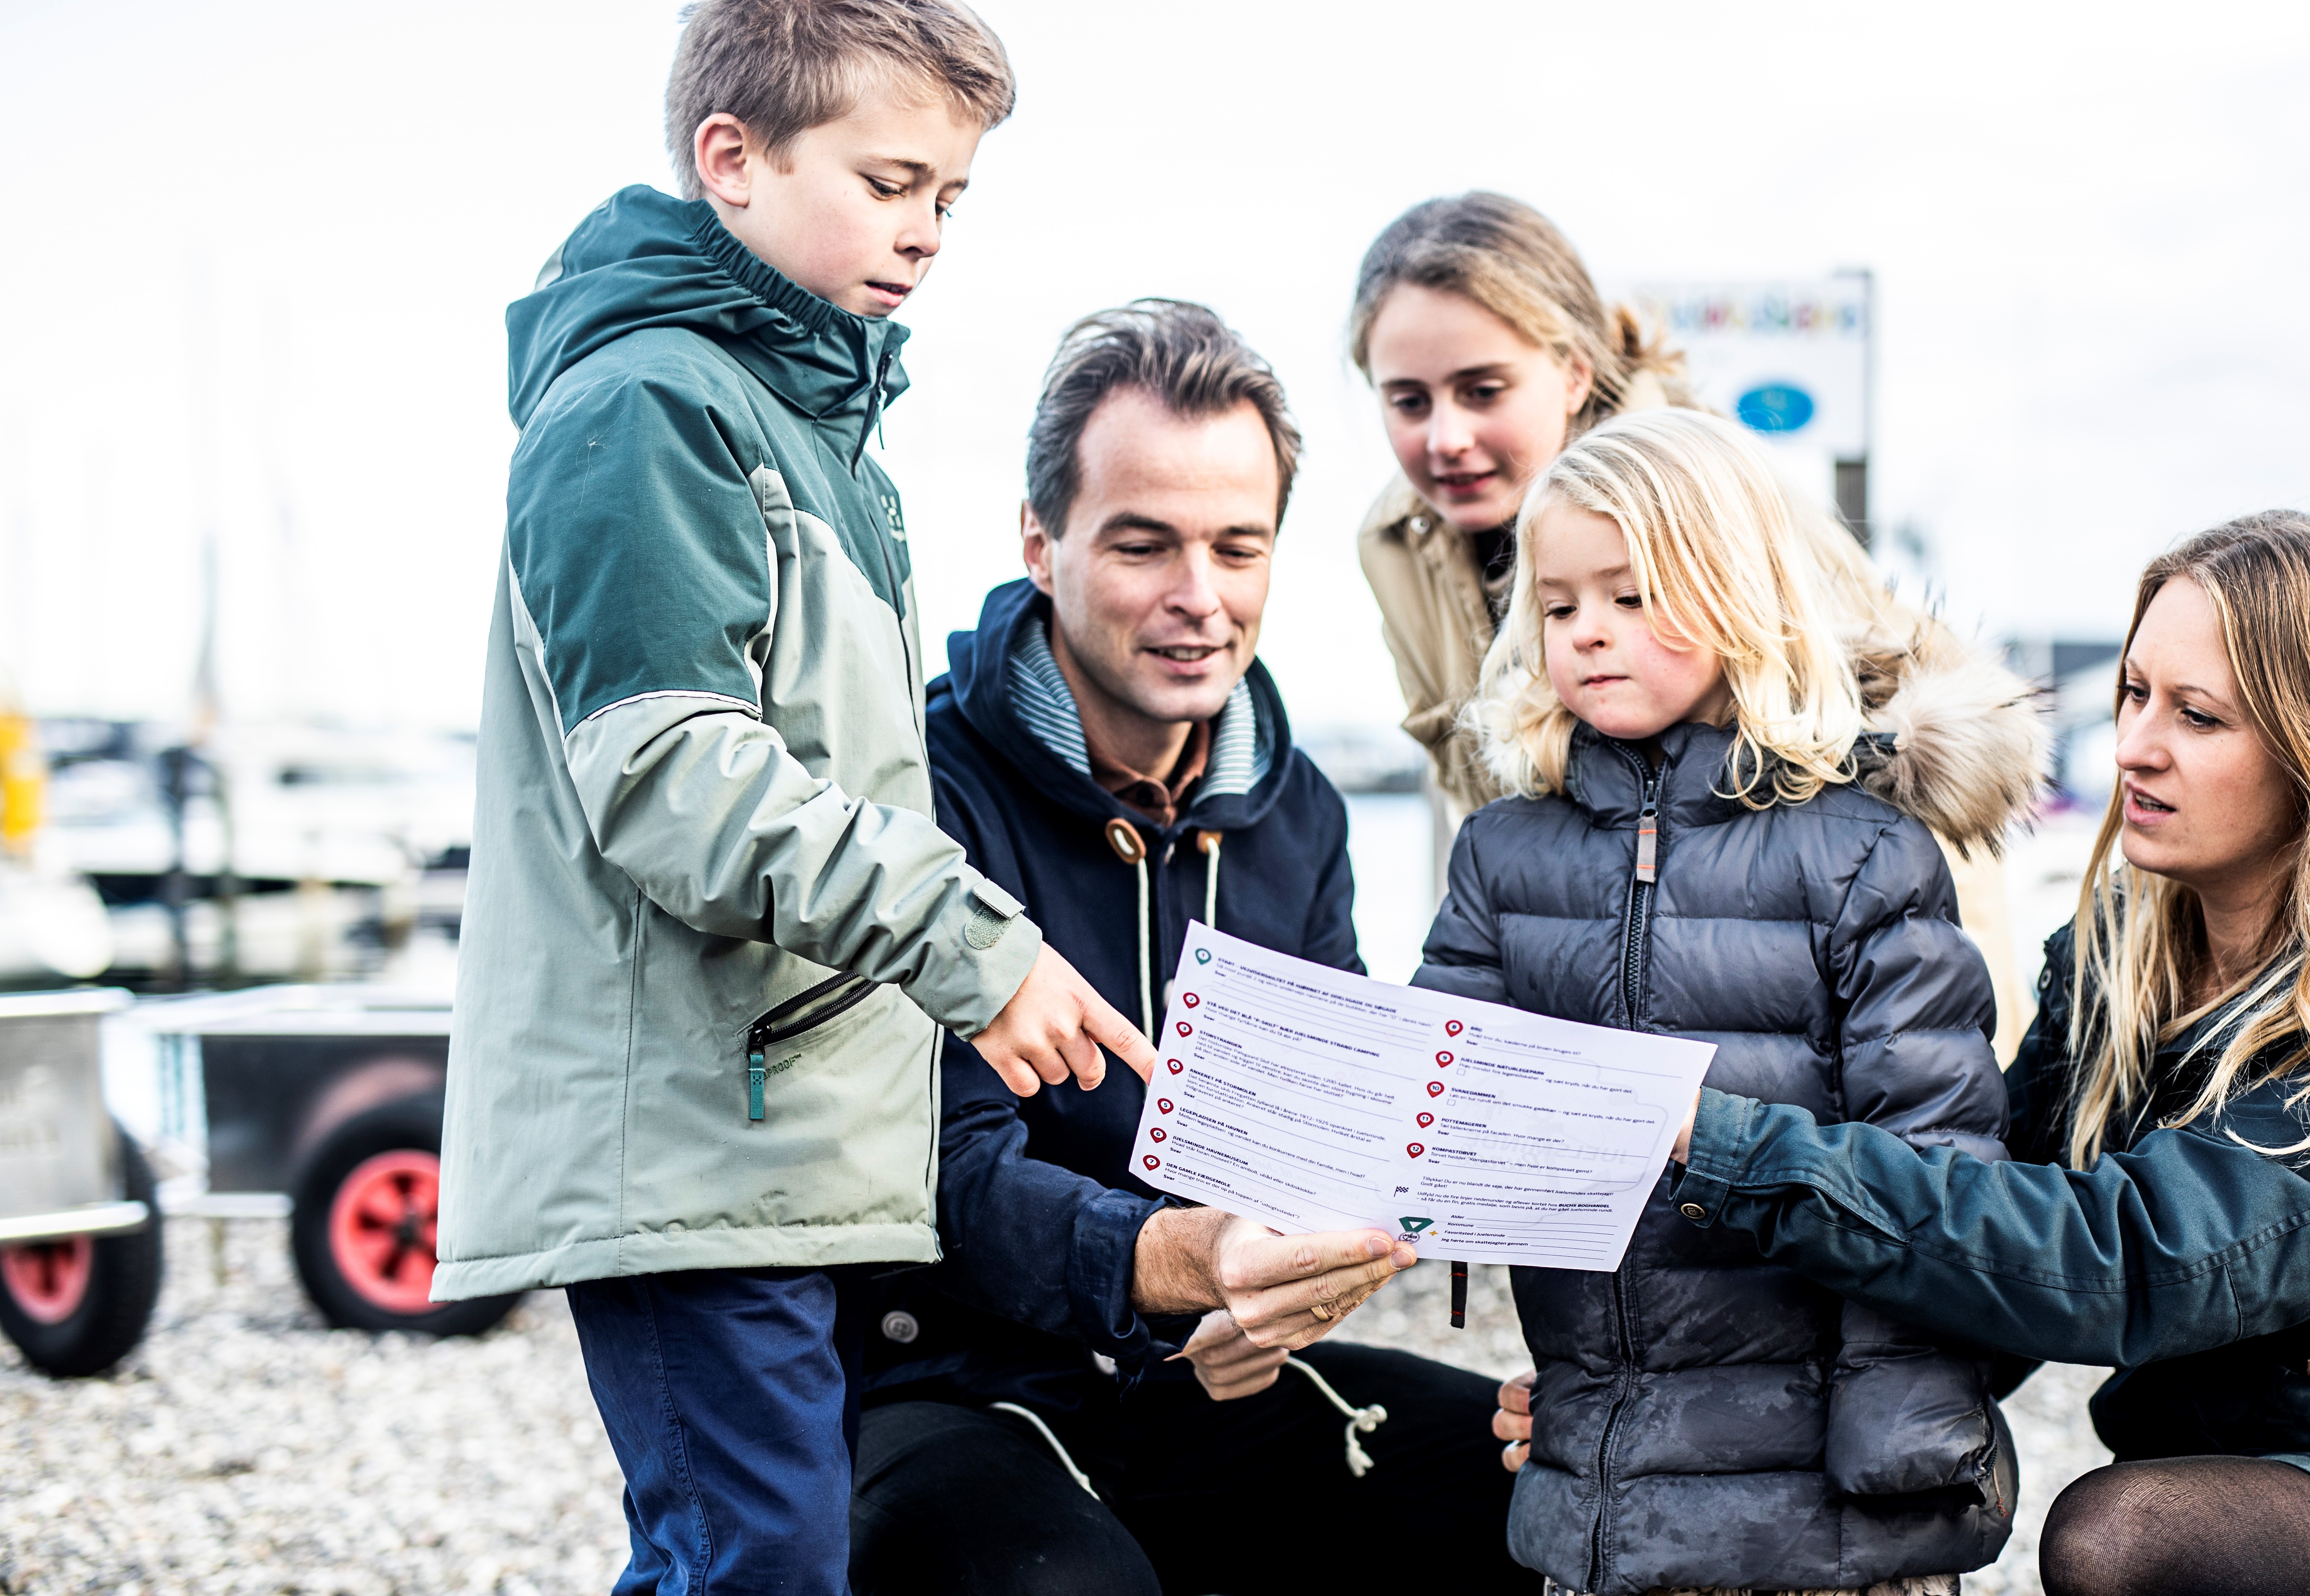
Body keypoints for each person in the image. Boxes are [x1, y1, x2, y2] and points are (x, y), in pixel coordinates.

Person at [1647, 513, 2310, 1596]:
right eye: (2134, 693)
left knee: (2124, 1537)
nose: (2132, 746)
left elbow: (2126, 1262)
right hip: (2308, 1496)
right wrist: (1660, 1412)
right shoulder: (2126, 970)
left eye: (2199, 714)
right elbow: (1981, 1235)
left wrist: (1746, 1152)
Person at [431, 6, 1160, 1593]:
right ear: (731, 159)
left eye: (953, 197)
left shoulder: (822, 435)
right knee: (754, 1560)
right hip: (683, 1141)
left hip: (774, 1137)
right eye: (894, 179)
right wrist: (981, 949)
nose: (927, 231)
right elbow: (674, 776)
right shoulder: (645, 405)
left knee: (762, 1552)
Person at [849, 300, 1528, 1596]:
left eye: (1238, 547)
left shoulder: (1300, 808)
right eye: (1145, 544)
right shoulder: (922, 795)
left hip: (1207, 1362)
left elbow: (1327, 1141)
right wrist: (1184, 1266)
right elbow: (940, 1182)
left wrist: (1300, 1278)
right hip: (948, 1380)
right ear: (1042, 547)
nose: (1199, 599)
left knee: (1530, 1500)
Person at [1414, 409, 2046, 1596]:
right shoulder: (1502, 856)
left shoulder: (1863, 858)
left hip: (1830, 1503)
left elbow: (1935, 1172)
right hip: (1601, 1489)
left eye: (1636, 594)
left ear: (1743, 594)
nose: (1591, 630)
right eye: (1559, 606)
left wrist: (1905, 1454)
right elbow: (1434, 1103)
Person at [1347, 191, 2040, 1048]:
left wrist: (1970, 1049)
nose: (1445, 437)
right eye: (1408, 402)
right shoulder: (1397, 543)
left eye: (1482, 390)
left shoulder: (1715, 495)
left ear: (1571, 370)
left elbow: (1896, 771)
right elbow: (1478, 796)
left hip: (1797, 984)